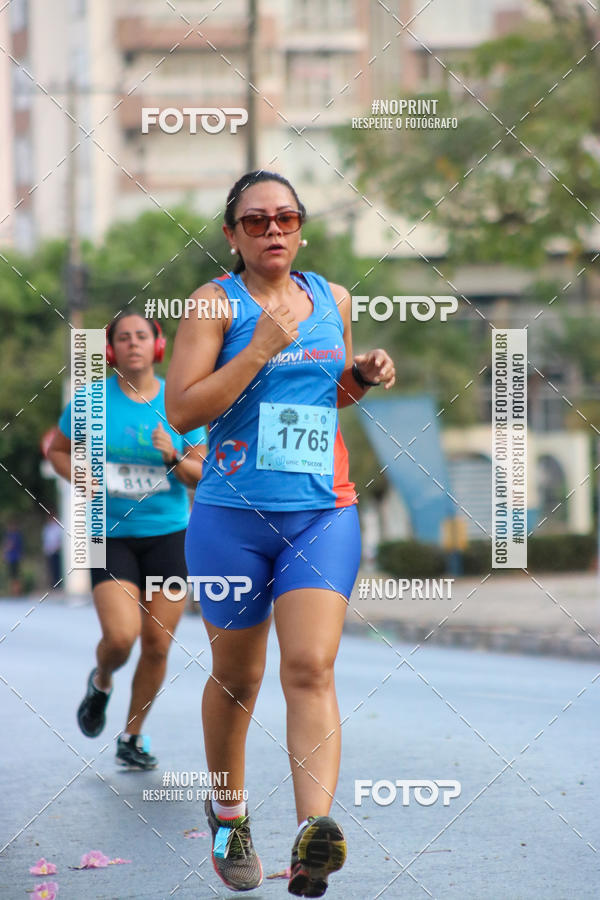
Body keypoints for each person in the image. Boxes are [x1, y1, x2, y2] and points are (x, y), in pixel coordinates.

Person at [166, 170, 395, 896]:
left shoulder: (332, 298)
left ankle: (310, 839)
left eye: (285, 218)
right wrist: (259, 345)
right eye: (255, 220)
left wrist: (359, 375)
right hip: (232, 518)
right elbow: (181, 411)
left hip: (323, 510)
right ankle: (229, 817)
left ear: (300, 228)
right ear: (232, 234)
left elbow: (324, 400)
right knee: (238, 678)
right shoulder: (213, 305)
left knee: (311, 667)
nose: (273, 230)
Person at [48, 313, 207, 769]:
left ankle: (132, 737)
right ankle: (101, 681)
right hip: (109, 535)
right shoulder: (90, 401)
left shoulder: (180, 401)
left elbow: (202, 473)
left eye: (142, 336)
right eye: (123, 338)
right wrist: (76, 472)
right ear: (111, 350)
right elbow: (58, 449)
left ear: (157, 346)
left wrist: (174, 456)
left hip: (169, 537)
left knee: (157, 644)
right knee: (121, 637)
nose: (133, 344)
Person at [42, 512, 62, 589]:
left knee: (57, 569)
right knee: (51, 569)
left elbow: (59, 539)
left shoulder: (58, 527)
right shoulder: (47, 528)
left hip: (56, 551)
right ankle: (54, 585)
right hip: (49, 552)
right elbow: (45, 540)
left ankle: (58, 585)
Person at [3, 522, 24, 596]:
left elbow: (9, 545)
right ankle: (14, 591)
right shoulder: (13, 535)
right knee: (13, 576)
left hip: (14, 558)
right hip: (12, 558)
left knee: (14, 576)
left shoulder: (14, 535)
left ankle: (16, 592)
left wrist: (5, 552)